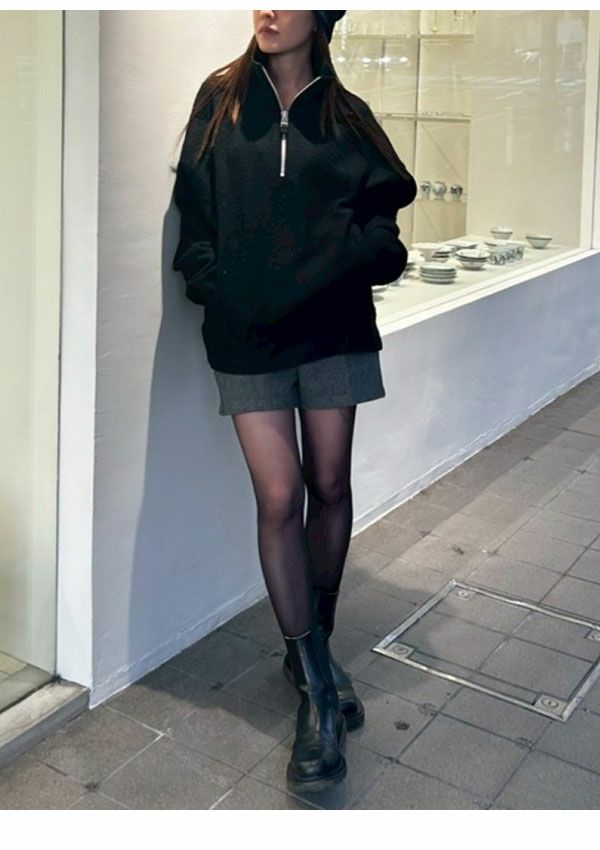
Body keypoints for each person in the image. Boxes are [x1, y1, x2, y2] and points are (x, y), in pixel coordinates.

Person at [171, 10, 417, 795]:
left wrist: (364, 255)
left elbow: (386, 212)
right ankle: (316, 684)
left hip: (335, 329)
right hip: (248, 336)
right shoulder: (220, 99)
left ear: (322, 16)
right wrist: (215, 284)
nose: (269, 12)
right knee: (279, 496)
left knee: (329, 485)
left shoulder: (348, 115)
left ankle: (314, 648)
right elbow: (195, 210)